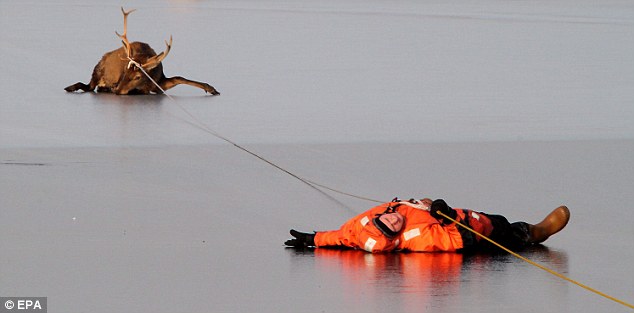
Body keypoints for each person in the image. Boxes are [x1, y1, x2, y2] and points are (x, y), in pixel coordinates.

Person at [285, 198, 570, 254]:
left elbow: (343, 237)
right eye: (391, 227)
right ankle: (537, 231)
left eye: (386, 219)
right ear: (395, 238)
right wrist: (447, 216)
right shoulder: (418, 239)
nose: (393, 219)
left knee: (493, 216)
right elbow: (457, 240)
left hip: (466, 213)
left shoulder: (362, 227)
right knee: (510, 230)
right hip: (481, 233)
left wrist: (315, 239)